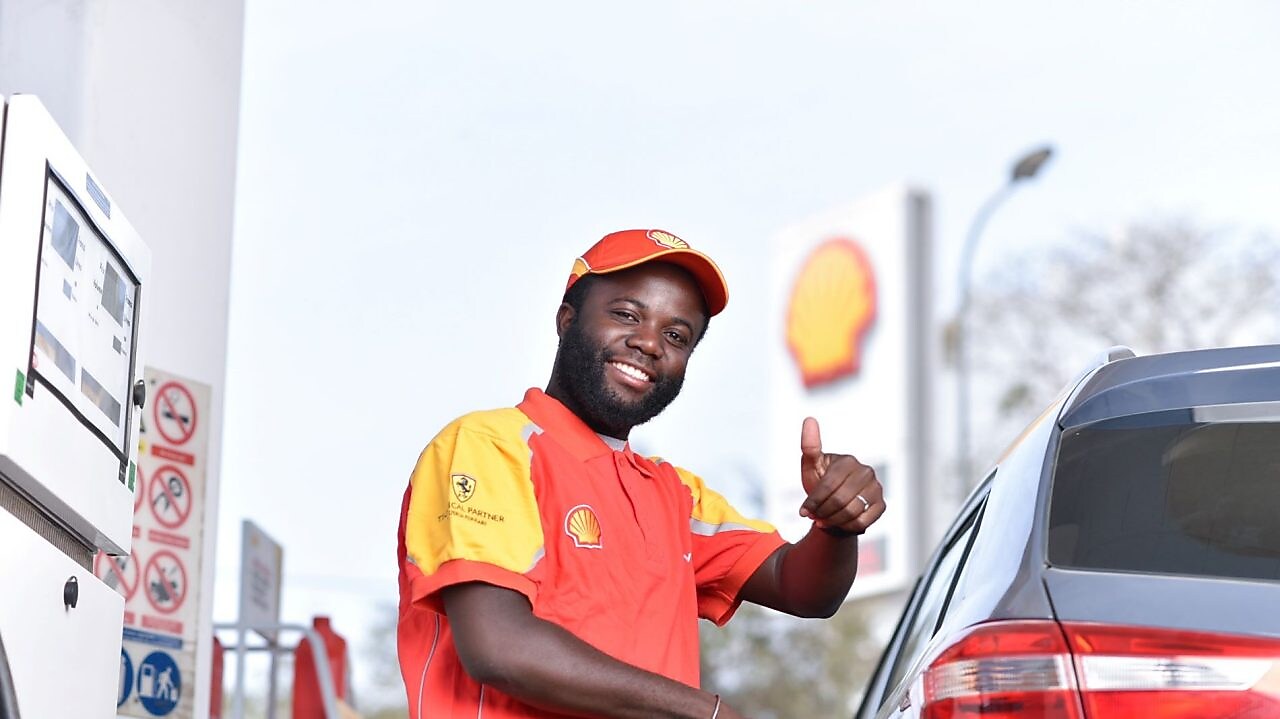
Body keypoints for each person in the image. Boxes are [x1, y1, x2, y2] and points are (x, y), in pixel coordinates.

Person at [396, 229, 885, 718]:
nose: (649, 343)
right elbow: (500, 648)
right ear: (567, 320)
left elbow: (801, 588)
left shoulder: (674, 495)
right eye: (627, 315)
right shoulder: (488, 446)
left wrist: (836, 523)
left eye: (677, 335)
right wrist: (702, 712)